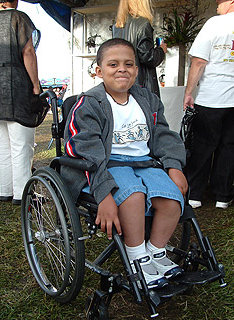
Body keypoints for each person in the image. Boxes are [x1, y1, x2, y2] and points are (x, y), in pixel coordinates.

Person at [64, 38, 188, 288]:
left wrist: (174, 166)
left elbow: (163, 134)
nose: (122, 69)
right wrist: (104, 195)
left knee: (173, 199)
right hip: (108, 164)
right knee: (133, 197)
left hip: (145, 162)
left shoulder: (147, 99)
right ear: (99, 71)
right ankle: (136, 257)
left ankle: (155, 252)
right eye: (113, 64)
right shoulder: (90, 104)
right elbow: (87, 151)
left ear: (137, 69)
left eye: (129, 64)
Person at [183, 0, 234, 209]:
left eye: (219, 2)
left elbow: (199, 61)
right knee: (229, 146)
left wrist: (188, 92)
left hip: (211, 97)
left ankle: (194, 194)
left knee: (203, 145)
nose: (216, 7)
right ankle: (222, 196)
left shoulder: (215, 23)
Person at [0, 0, 41, 205]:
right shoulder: (18, 18)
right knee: (21, 144)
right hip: (16, 86)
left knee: (1, 145)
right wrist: (36, 85)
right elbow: (28, 52)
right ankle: (22, 193)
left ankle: (5, 190)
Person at [112, 0, 167, 97]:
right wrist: (161, 50)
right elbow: (148, 57)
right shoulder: (143, 24)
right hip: (142, 86)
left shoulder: (117, 26)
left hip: (123, 84)